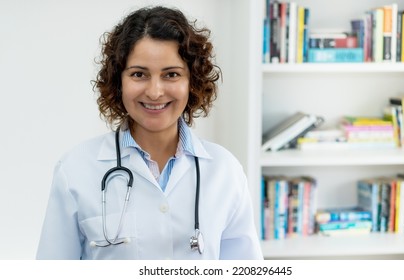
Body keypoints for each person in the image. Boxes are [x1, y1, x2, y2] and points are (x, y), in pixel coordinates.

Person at [36, 6, 263, 260]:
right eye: (139, 74)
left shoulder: (225, 172)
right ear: (118, 81)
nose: (155, 91)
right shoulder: (75, 169)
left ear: (193, 81)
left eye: (172, 74)